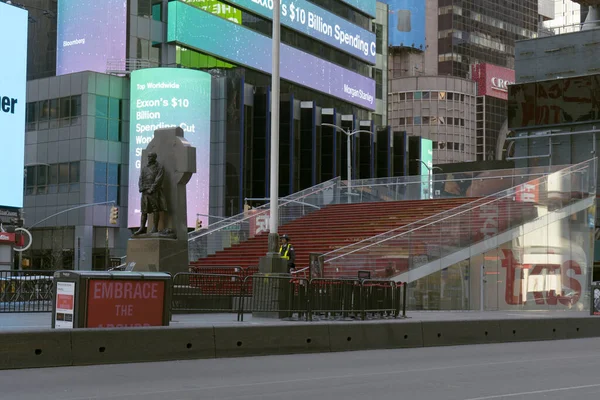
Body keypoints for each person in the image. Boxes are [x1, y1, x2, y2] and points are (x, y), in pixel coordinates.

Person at [134, 152, 167, 235]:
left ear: (154, 157)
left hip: (153, 191)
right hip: (145, 191)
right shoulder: (145, 168)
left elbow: (159, 179)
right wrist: (141, 188)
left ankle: (155, 227)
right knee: (143, 210)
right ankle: (142, 227)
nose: (149, 158)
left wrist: (152, 189)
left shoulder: (159, 167)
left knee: (155, 209)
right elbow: (140, 178)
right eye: (148, 156)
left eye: (150, 157)